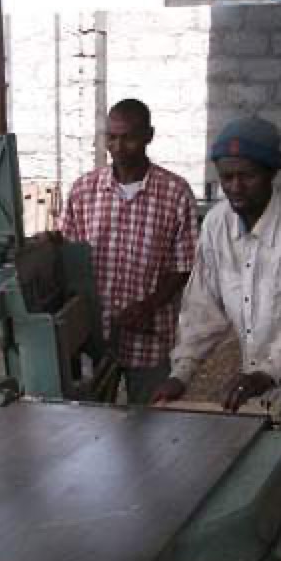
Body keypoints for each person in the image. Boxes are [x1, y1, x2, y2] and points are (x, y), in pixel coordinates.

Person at [151, 116, 281, 418]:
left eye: (248, 176)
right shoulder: (216, 226)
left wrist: (265, 374)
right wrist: (181, 374)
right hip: (260, 370)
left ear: (271, 172)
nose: (236, 187)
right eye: (226, 177)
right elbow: (202, 309)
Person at [60, 99, 198, 404]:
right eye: (111, 137)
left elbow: (183, 265)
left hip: (149, 338)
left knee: (150, 428)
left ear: (149, 136)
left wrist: (149, 305)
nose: (119, 147)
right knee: (88, 427)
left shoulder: (175, 193)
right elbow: (68, 258)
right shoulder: (83, 191)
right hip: (92, 338)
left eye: (129, 137)